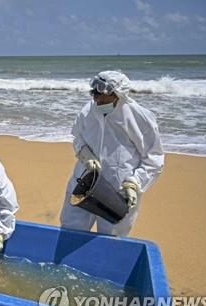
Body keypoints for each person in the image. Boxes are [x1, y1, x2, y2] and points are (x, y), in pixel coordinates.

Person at [60, 71, 164, 236]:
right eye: (96, 94)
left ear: (119, 94)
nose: (98, 99)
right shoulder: (87, 111)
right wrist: (84, 153)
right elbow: (77, 138)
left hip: (119, 190)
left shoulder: (140, 118)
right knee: (71, 229)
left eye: (104, 96)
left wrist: (134, 183)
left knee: (112, 236)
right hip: (85, 182)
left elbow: (154, 158)